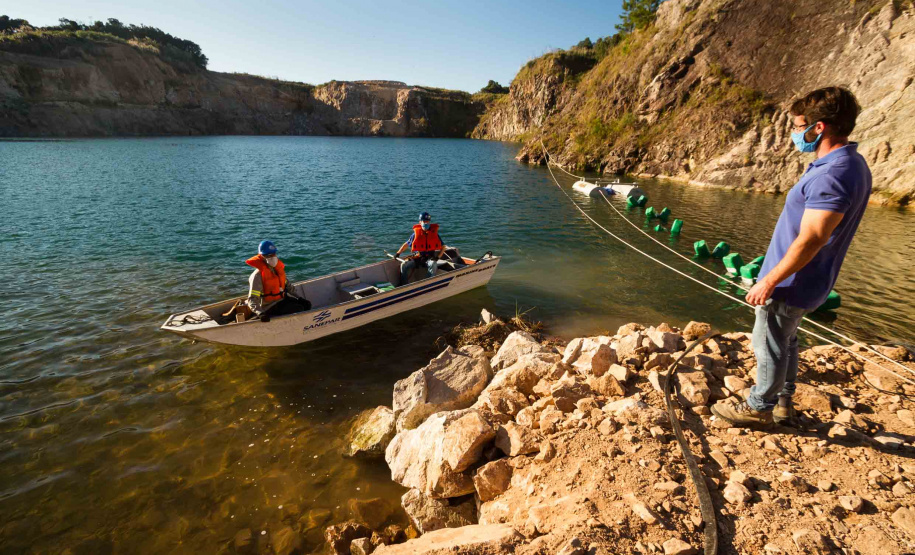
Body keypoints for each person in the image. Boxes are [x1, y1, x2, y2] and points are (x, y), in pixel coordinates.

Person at [711, 87, 871, 428]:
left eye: (799, 126)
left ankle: (758, 407)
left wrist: (769, 280)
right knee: (786, 338)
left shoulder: (833, 173)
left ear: (819, 127)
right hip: (806, 279)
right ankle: (783, 401)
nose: (794, 133)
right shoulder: (850, 164)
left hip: (791, 282)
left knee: (768, 342)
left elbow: (813, 237)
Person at [245, 240, 310, 321]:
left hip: (281, 300)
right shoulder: (257, 276)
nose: (273, 257)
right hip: (269, 306)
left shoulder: (277, 269)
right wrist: (260, 313)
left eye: (274, 254)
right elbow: (252, 299)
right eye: (269, 255)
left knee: (305, 305)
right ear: (262, 257)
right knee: (298, 309)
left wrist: (300, 298)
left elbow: (288, 286)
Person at [394, 212, 447, 285]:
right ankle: (404, 285)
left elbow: (444, 247)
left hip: (430, 258)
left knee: (433, 264)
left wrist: (437, 257)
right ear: (420, 222)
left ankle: (427, 284)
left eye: (427, 221)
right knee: (404, 265)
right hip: (418, 257)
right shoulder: (415, 234)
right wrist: (398, 253)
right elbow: (406, 244)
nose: (426, 223)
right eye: (424, 221)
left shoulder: (434, 234)